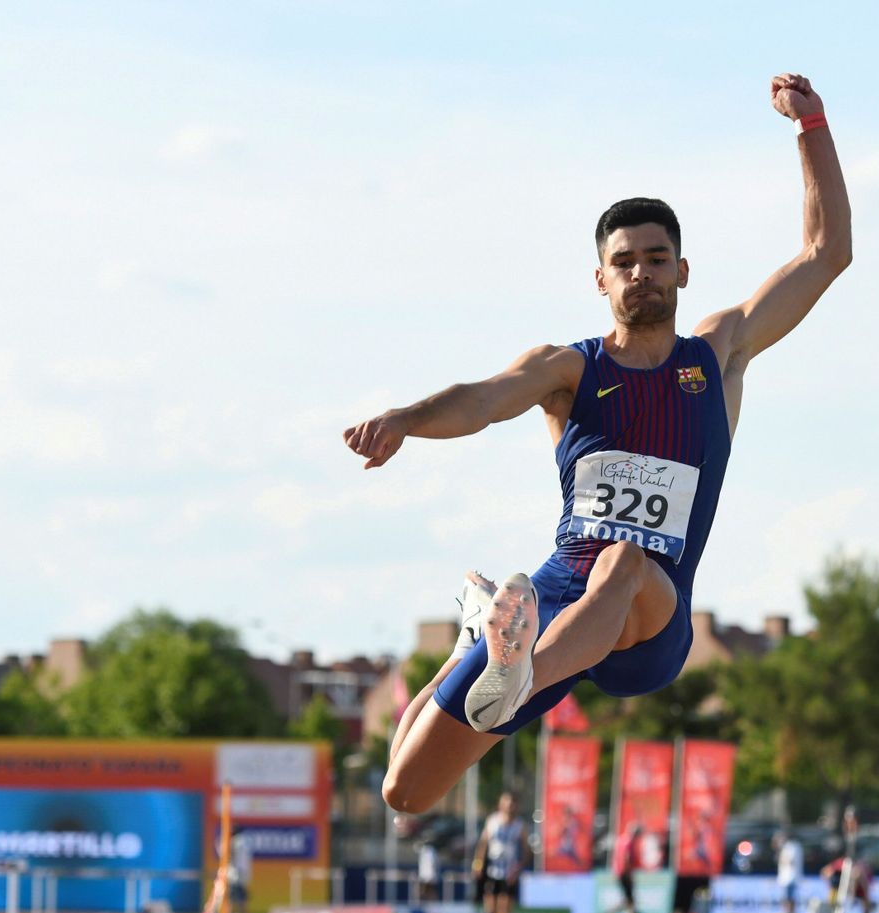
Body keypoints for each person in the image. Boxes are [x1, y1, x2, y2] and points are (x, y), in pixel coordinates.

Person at [344, 74, 851, 816]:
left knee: (622, 559)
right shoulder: (568, 368)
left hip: (650, 611)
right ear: (600, 279)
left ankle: (515, 674)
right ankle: (474, 648)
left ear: (682, 270)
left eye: (655, 257)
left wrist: (812, 128)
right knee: (406, 788)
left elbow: (825, 252)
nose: (641, 272)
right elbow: (483, 400)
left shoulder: (718, 353)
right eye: (625, 262)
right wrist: (405, 418)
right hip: (553, 598)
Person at [474, 792, 529, 913]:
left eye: (512, 803)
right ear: (500, 804)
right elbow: (483, 844)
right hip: (492, 871)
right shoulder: (492, 821)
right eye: (506, 803)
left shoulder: (520, 826)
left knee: (504, 910)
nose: (509, 806)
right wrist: (478, 864)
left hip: (509, 873)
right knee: (492, 911)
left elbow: (527, 851)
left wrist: (518, 868)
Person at [774, 829, 804, 913]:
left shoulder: (792, 847)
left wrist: (781, 858)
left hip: (790, 876)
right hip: (787, 876)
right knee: (787, 896)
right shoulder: (792, 846)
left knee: (789, 896)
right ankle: (788, 912)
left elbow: (790, 860)